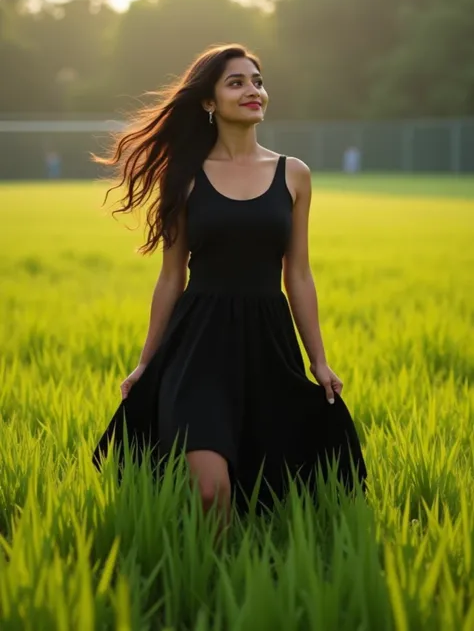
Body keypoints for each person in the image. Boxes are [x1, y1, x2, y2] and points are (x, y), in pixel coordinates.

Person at [92, 43, 367, 524]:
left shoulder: (294, 174)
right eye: (236, 82)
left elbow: (297, 273)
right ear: (208, 101)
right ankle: (204, 586)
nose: (252, 90)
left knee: (266, 488)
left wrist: (319, 361)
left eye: (257, 81)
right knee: (209, 489)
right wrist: (145, 363)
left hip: (268, 342)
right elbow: (171, 276)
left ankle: (243, 579)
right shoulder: (184, 178)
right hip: (198, 344)